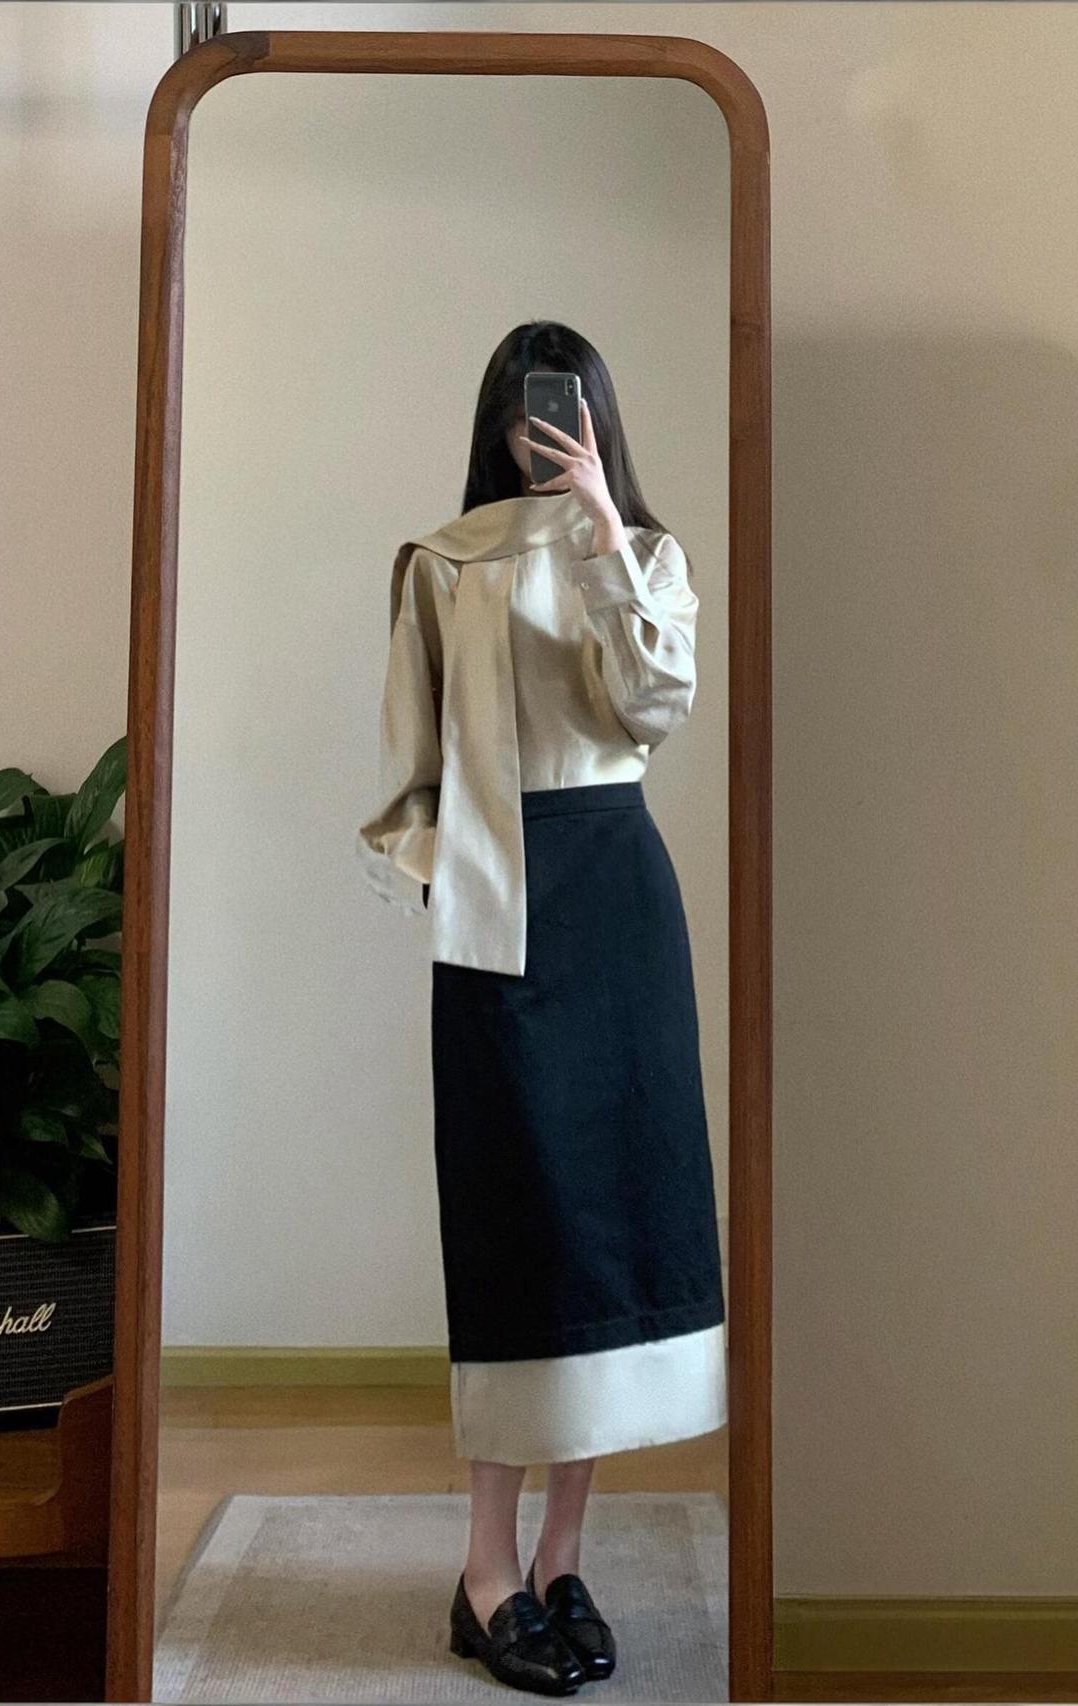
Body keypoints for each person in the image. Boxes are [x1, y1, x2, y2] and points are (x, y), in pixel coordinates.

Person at [356, 322, 726, 1696]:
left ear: (599, 416)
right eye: (525, 410)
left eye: (565, 408)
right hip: (499, 913)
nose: (545, 430)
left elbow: (655, 703)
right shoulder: (439, 564)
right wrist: (449, 884)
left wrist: (605, 535)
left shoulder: (649, 557)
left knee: (615, 1216)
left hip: (620, 899)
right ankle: (485, 1571)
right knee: (520, 1217)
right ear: (496, 422)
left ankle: (563, 1559)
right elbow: (408, 772)